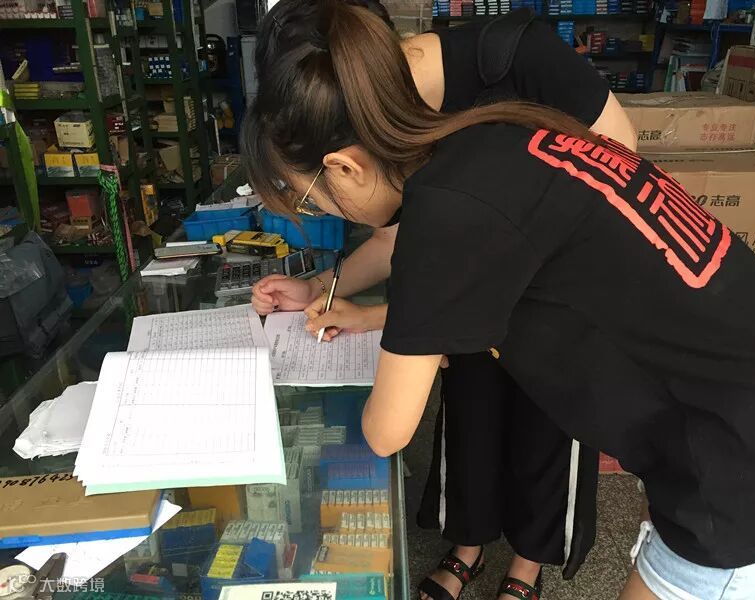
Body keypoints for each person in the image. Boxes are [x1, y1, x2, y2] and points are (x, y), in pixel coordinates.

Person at [242, 1, 755, 599]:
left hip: (746, 474)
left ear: (344, 167)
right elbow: (517, 293)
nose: (324, 212)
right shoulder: (491, 134)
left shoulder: (445, 210)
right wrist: (377, 317)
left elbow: (386, 432)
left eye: (311, 200)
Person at [250, 3, 637, 599]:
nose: (328, 213)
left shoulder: (522, 64)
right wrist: (322, 289)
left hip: (563, 302)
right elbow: (398, 234)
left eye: (314, 201)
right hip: (474, 304)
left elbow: (615, 199)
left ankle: (527, 566)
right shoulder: (393, 130)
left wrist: (387, 321)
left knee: (547, 434)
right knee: (470, 419)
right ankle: (468, 547)